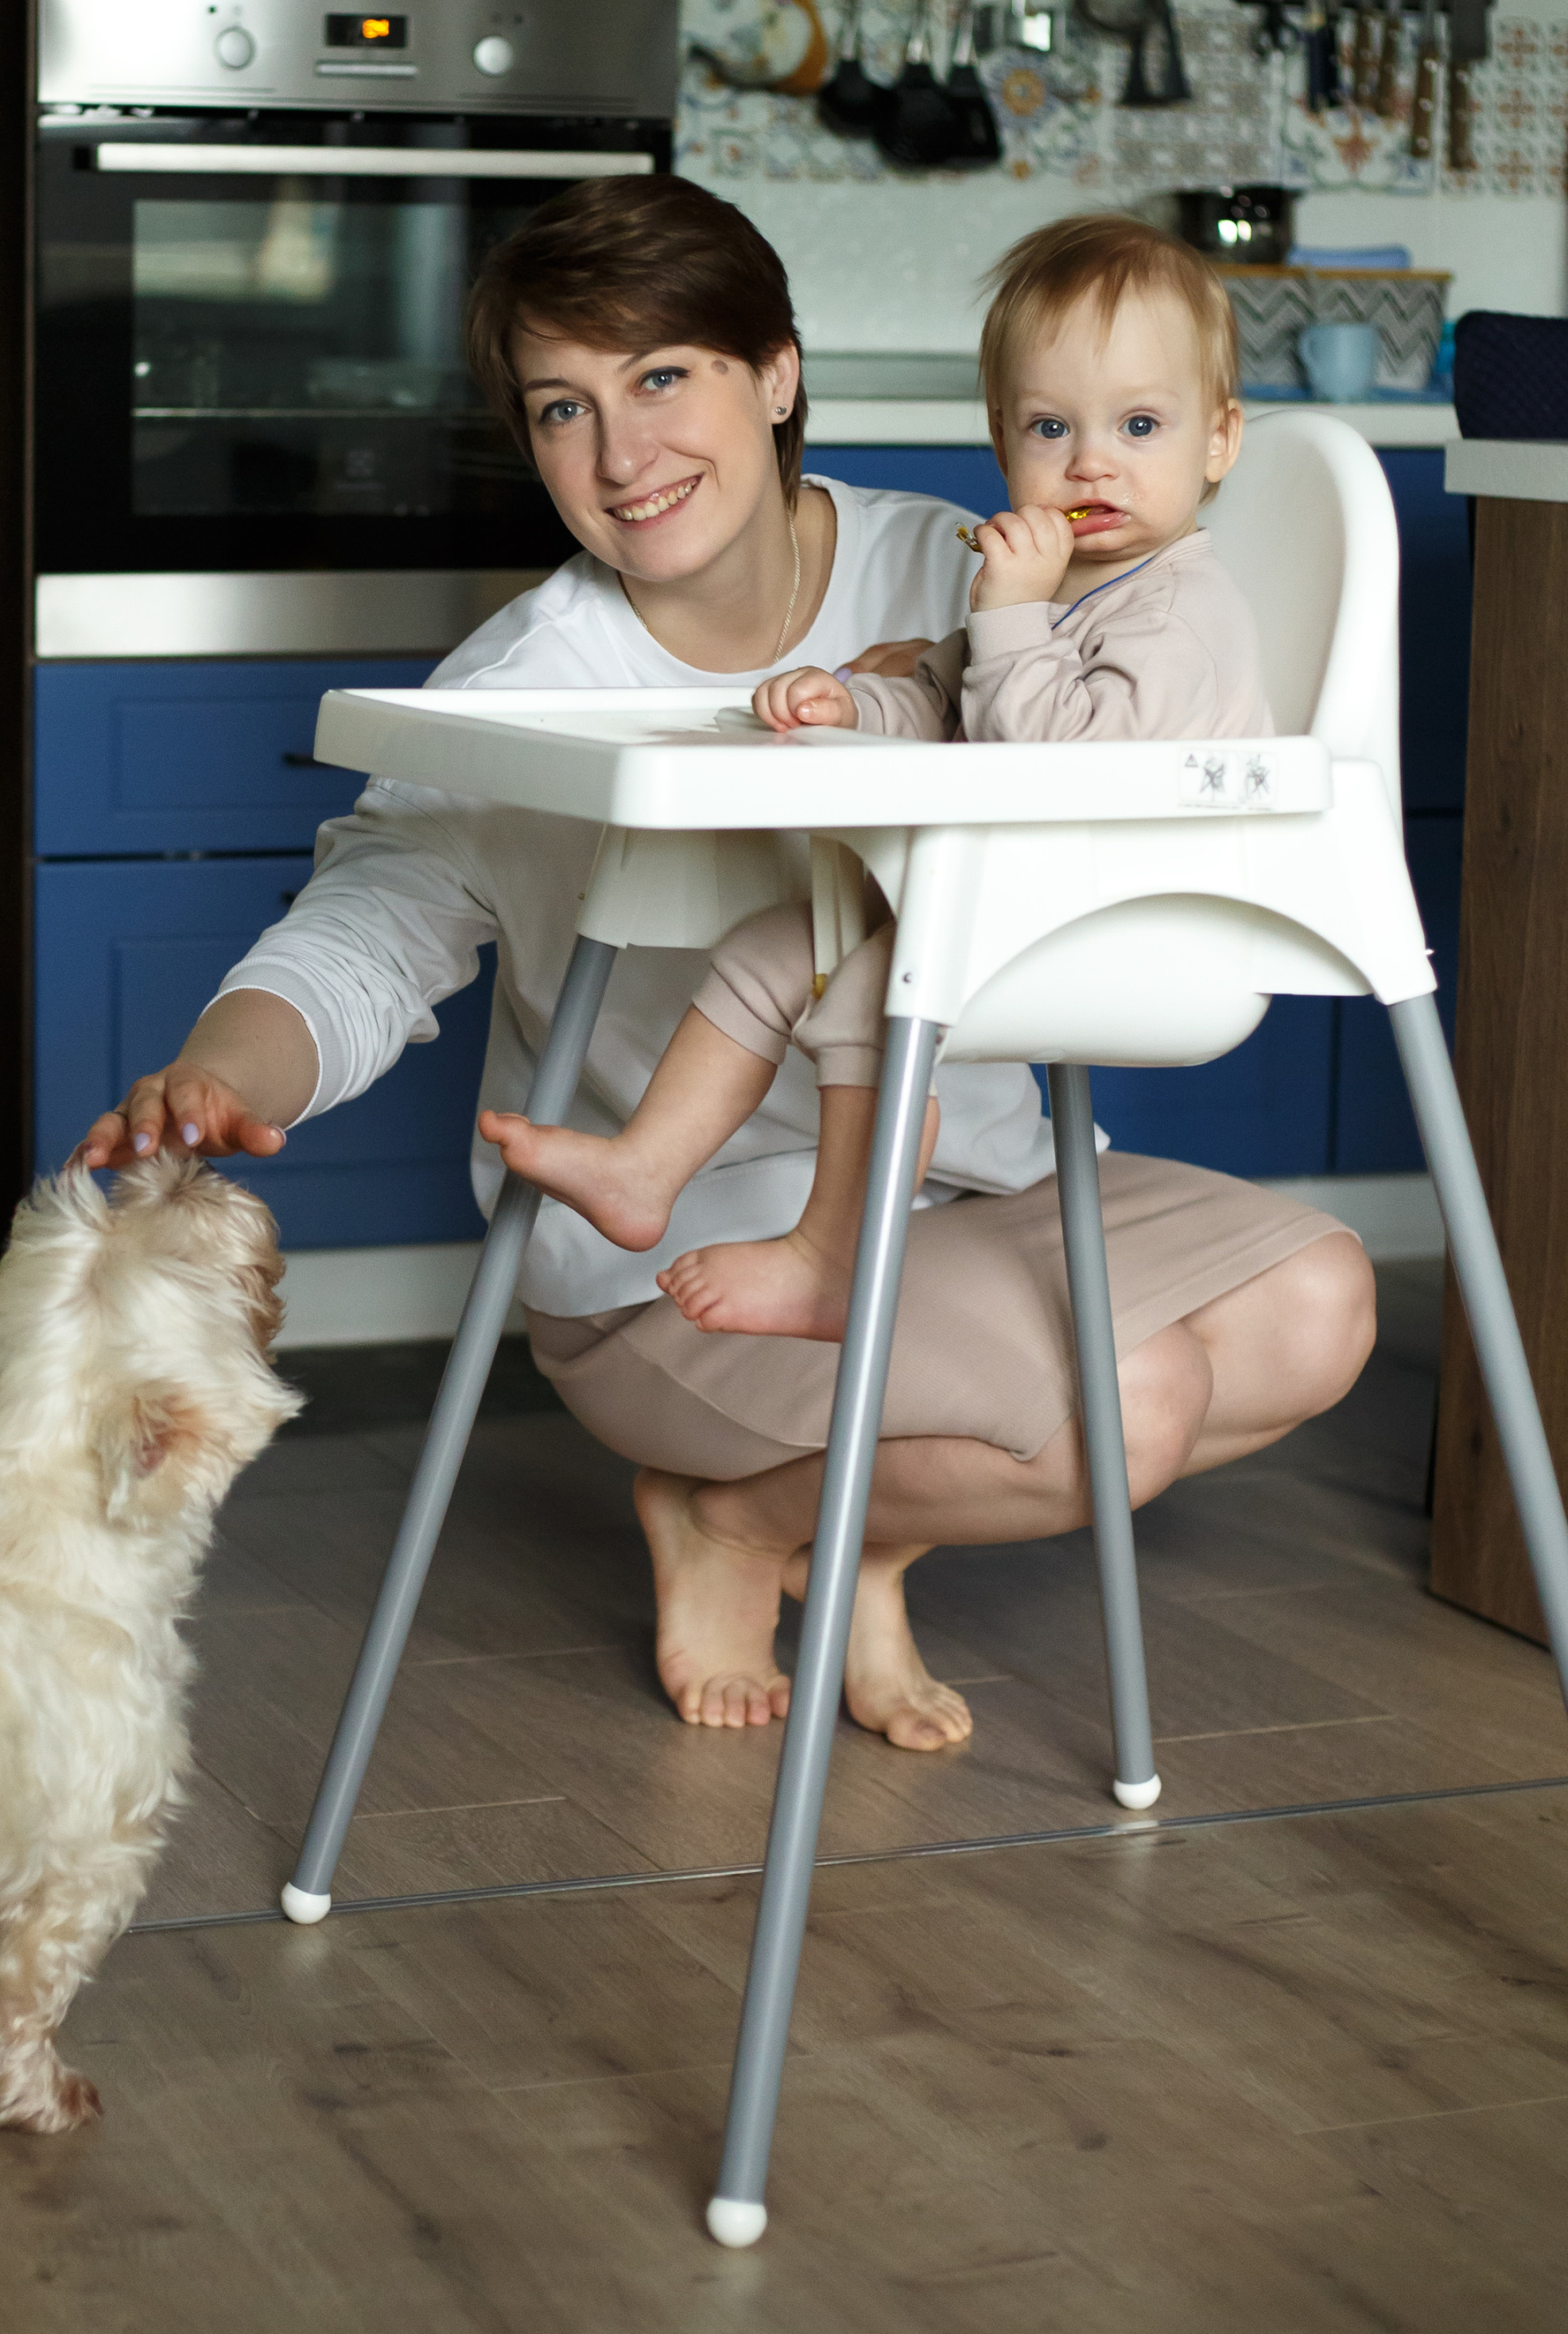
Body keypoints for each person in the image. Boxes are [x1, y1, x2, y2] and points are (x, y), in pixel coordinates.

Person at [75, 181, 1375, 1747]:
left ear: (778, 375)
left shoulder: (971, 573)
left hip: (983, 1186)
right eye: (566, 407)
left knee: (1324, 1301)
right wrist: (226, 1072)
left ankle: (817, 1530)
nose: (625, 457)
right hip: (682, 1267)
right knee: (1131, 1405)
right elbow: (364, 935)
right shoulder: (524, 681)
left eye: (666, 378)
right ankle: (743, 1525)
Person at [481, 214, 1270, 1344]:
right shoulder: (1069, 586)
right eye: (1051, 427)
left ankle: (828, 1255)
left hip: (1106, 915)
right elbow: (952, 706)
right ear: (1004, 445)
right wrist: (852, 702)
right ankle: (645, 1167)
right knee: (770, 944)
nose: (1092, 462)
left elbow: (1046, 769)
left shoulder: (1180, 611)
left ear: (1217, 441)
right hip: (998, 895)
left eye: (1140, 424)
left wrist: (1006, 617)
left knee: (863, 986)